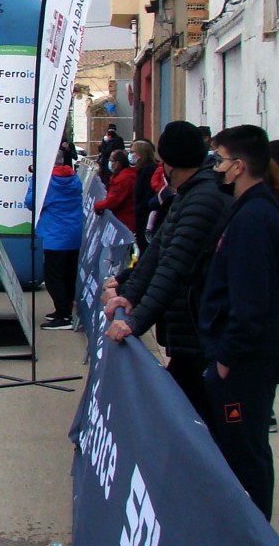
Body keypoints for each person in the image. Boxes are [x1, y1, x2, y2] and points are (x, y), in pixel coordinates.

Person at [104, 120, 230, 423]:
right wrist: (128, 292)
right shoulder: (188, 193)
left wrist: (135, 320)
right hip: (189, 329)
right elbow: (157, 251)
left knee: (215, 426)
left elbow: (173, 265)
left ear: (168, 163)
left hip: (201, 330)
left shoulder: (203, 197)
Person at [196, 124, 279, 520]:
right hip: (240, 360)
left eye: (219, 161)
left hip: (244, 364)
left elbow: (251, 305)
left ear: (239, 166)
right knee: (241, 450)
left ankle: (254, 529)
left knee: (246, 453)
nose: (215, 168)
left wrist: (224, 363)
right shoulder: (247, 211)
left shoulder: (254, 218)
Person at [27, 150, 84, 330]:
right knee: (68, 274)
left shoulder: (47, 183)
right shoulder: (75, 179)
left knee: (53, 277)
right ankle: (64, 309)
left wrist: (34, 181)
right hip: (73, 234)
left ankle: (64, 315)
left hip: (55, 236)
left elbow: (30, 202)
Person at [94, 149, 136, 231]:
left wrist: (98, 206)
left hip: (124, 221)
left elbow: (112, 201)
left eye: (110, 160)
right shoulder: (126, 175)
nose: (109, 162)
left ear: (117, 164)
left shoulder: (122, 179)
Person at [129, 139, 160, 252]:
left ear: (141, 154)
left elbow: (148, 194)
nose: (131, 155)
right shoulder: (142, 169)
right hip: (140, 215)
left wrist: (139, 209)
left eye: (133, 152)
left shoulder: (149, 169)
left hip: (145, 217)